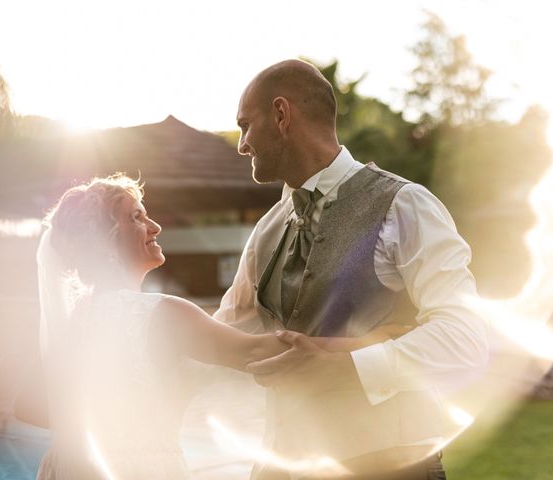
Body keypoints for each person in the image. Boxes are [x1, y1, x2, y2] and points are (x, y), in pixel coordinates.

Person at [213, 59, 490, 479]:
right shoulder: (266, 230)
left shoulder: (405, 205)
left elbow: (464, 337)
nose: (242, 144)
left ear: (282, 115)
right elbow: (226, 332)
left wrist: (346, 367)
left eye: (245, 125)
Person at [34, 173, 410, 480]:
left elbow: (27, 404)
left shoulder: (74, 318)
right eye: (136, 217)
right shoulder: (162, 313)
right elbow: (258, 352)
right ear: (105, 242)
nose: (154, 225)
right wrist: (374, 342)